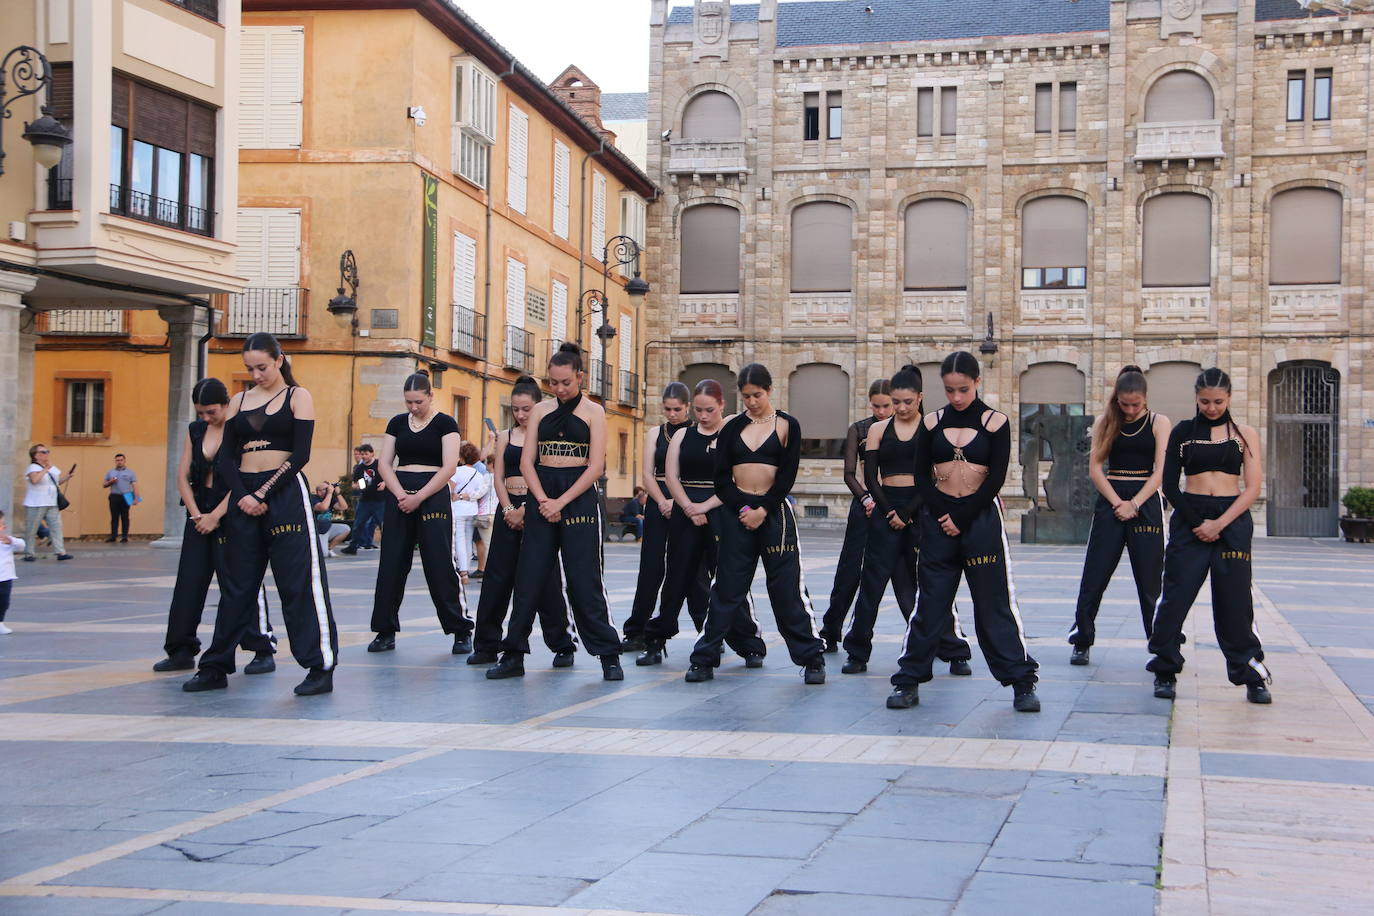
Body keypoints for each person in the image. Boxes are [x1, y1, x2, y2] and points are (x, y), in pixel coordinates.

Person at [183, 332, 339, 696]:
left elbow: (300, 455)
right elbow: (225, 457)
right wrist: (243, 495)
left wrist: (264, 491)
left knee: (297, 582)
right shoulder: (238, 400)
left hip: (284, 493)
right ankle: (216, 665)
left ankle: (319, 666)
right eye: (250, 368)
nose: (256, 374)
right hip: (244, 497)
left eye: (262, 367)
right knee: (236, 585)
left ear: (279, 360)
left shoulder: (298, 397)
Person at [887, 351, 1039, 712]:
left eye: (963, 389)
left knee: (994, 605)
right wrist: (943, 515)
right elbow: (921, 475)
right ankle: (908, 680)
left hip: (980, 521)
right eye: (950, 390)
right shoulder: (932, 422)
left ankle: (1021, 681)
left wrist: (964, 517)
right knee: (930, 603)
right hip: (938, 522)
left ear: (977, 383)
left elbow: (997, 478)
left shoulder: (995, 422)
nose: (956, 397)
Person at [489, 342, 624, 681]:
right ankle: (513, 654)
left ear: (581, 377)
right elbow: (525, 461)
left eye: (566, 382)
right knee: (529, 578)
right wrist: (542, 500)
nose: (560, 388)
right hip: (542, 493)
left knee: (584, 580)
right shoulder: (540, 411)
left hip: (578, 496)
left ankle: (608, 654)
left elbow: (596, 467)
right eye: (553, 382)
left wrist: (560, 503)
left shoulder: (594, 412)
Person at [686, 363, 827, 684]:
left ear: (769, 391)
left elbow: (786, 477)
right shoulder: (732, 428)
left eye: (757, 395)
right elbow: (721, 481)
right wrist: (744, 509)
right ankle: (704, 658)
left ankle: (811, 657)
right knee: (726, 587)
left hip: (774, 515)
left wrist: (763, 509)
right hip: (738, 515)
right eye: (746, 396)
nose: (751, 402)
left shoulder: (787, 425)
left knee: (786, 589)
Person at [1147, 368, 1271, 704]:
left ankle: (1250, 672)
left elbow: (1253, 488)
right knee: (1176, 595)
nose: (1212, 407)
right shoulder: (1183, 432)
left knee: (1235, 601)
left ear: (1229, 398)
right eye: (1205, 401)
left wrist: (1220, 523)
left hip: (1232, 518)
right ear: (1196, 398)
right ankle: (1165, 669)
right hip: (1191, 517)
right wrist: (1198, 522)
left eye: (1218, 401)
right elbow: (1170, 484)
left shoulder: (1244, 435)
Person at [842, 366, 972, 676]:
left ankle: (953, 650)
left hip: (921, 509)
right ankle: (857, 651)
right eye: (896, 402)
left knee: (930, 583)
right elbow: (870, 477)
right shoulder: (877, 430)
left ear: (920, 398)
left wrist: (909, 512)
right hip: (886, 508)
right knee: (871, 583)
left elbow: (934, 474)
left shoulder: (931, 428)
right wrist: (889, 510)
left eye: (908, 402)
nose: (901, 408)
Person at [153, 378, 277, 674]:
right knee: (189, 582)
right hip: (199, 511)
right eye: (201, 413)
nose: (206, 418)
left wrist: (216, 515)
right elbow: (182, 475)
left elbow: (246, 477)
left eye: (211, 412)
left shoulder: (243, 429)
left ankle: (261, 647)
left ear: (226, 405)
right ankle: (180, 649)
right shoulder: (195, 431)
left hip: (232, 511)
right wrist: (197, 514)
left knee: (240, 582)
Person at [638, 378, 765, 667]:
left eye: (709, 410)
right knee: (676, 578)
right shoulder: (683, 436)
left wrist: (706, 507)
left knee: (730, 579)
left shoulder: (734, 434)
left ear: (722, 405)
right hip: (686, 510)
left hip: (721, 509)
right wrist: (688, 508)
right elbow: (670, 476)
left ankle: (748, 642)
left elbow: (738, 478)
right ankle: (656, 640)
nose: (703, 416)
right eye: (698, 410)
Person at [468, 375, 577, 666]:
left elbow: (548, 477)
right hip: (508, 511)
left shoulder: (548, 436)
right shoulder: (505, 436)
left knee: (545, 581)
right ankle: (487, 644)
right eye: (515, 409)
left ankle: (562, 644)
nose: (520, 414)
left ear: (538, 406)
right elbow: (498, 476)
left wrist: (528, 509)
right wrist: (507, 510)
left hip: (538, 510)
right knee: (496, 578)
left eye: (526, 408)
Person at [1068, 366, 1171, 665]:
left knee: (1151, 579)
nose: (1129, 409)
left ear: (1145, 398)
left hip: (1146, 501)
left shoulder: (1159, 422)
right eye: (1124, 404)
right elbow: (1095, 468)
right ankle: (1082, 638)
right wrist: (1117, 503)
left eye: (1135, 404)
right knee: (1095, 574)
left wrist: (1135, 504)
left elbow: (1161, 470)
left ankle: (1160, 643)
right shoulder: (1106, 421)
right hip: (1111, 501)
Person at [366, 371, 473, 655]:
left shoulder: (446, 423)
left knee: (439, 562)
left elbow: (449, 466)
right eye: (408, 402)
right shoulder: (397, 423)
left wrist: (420, 496)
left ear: (430, 396)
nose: (413, 407)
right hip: (400, 492)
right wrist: (401, 494)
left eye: (418, 401)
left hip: (432, 493)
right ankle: (384, 630)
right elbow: (385, 464)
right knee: (391, 563)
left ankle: (460, 629)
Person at [819, 380, 893, 652]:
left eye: (887, 405)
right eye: (877, 406)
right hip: (865, 504)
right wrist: (865, 497)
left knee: (912, 574)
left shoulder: (906, 429)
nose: (883, 411)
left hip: (898, 503)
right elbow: (849, 472)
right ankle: (831, 629)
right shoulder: (859, 429)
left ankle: (936, 639)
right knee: (850, 569)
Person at [621, 383, 694, 651]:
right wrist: (662, 501)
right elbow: (646, 474)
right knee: (651, 566)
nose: (672, 414)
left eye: (677, 409)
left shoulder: (696, 432)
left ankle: (704, 629)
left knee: (688, 567)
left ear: (687, 407)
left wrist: (679, 501)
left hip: (686, 499)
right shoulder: (655, 433)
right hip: (658, 499)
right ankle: (637, 629)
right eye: (668, 409)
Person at [23, 444, 73, 561]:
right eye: (43, 452)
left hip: (51, 502)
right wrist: (45, 469)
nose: (47, 454)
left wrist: (67, 477)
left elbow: (55, 483)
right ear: (36, 455)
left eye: (47, 451)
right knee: (32, 528)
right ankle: (29, 553)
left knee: (56, 527)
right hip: (36, 503)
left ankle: (60, 552)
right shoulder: (32, 468)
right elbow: (35, 480)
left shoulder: (51, 468)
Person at [450, 442, 490, 582]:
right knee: (467, 541)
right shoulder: (478, 474)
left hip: (458, 509)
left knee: (459, 540)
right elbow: (479, 493)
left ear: (461, 457)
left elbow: (450, 489)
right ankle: (465, 570)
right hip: (472, 509)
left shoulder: (456, 471)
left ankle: (463, 571)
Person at [341, 443, 384, 554]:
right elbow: (355, 483)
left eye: (366, 454)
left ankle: (389, 546)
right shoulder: (360, 468)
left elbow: (391, 476)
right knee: (358, 523)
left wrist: (385, 483)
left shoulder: (379, 464)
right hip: (365, 500)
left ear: (372, 453)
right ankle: (353, 547)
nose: (363, 456)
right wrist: (357, 486)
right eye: (362, 454)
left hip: (380, 500)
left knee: (383, 523)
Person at [102, 453, 140, 542]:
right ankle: (113, 536)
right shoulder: (110, 472)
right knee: (114, 517)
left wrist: (136, 498)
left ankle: (124, 537)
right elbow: (104, 485)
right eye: (117, 460)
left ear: (124, 461)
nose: (119, 462)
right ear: (115, 461)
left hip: (126, 496)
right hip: (114, 496)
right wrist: (111, 481)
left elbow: (135, 486)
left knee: (125, 517)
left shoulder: (130, 473)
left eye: (121, 460)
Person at [471, 453, 497, 579]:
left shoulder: (488, 476)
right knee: (494, 544)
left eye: (487, 462)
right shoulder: (502, 477)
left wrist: (466, 496)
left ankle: (489, 573)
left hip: (485, 513)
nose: (485, 465)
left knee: (488, 545)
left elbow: (481, 492)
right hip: (497, 513)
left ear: (492, 464)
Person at [0, 509, 23, 635]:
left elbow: (21, 545)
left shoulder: (7, 541)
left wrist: (11, 541)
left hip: (5, 577)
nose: (3, 527)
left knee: (3, 601)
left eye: (3, 524)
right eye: (0, 524)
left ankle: (0, 622)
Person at [314, 482, 351, 558]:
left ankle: (330, 548)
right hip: (318, 531)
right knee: (323, 554)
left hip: (328, 528)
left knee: (345, 528)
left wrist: (338, 494)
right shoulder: (313, 498)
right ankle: (322, 548)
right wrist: (329, 493)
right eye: (326, 489)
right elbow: (323, 507)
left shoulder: (329, 498)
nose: (328, 490)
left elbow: (344, 507)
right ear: (319, 491)